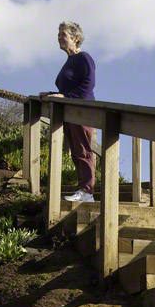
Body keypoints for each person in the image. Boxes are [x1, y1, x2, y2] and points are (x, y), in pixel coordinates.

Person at [48, 21, 97, 203]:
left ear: (76, 38)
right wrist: (51, 94)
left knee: (83, 151)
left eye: (64, 35)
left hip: (82, 111)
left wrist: (67, 96)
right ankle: (83, 190)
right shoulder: (69, 61)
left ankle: (87, 192)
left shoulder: (84, 57)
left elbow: (88, 84)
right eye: (59, 34)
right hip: (70, 112)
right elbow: (66, 88)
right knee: (76, 151)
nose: (60, 38)